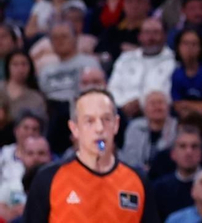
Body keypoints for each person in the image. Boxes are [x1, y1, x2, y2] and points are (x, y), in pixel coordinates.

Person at [22, 87, 160, 220]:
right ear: (74, 128)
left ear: (116, 124)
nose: (99, 128)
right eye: (89, 121)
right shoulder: (48, 180)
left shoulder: (138, 181)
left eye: (106, 119)